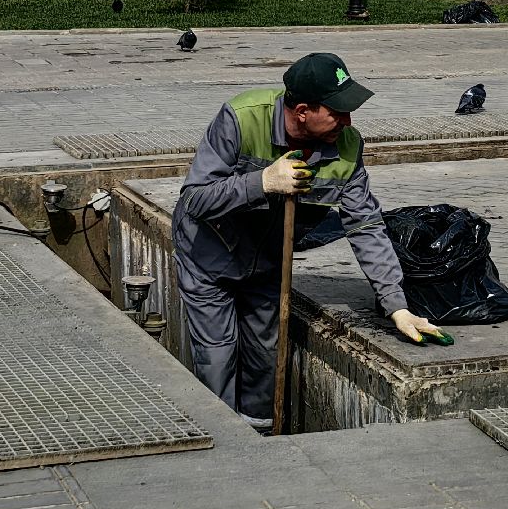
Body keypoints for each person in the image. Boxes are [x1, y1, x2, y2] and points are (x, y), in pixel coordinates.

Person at [172, 52, 441, 432]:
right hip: (209, 257)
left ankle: (260, 436)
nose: (347, 122)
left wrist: (396, 305)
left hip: (268, 262)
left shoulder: (347, 146)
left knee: (266, 358)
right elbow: (195, 200)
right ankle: (222, 441)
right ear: (302, 111)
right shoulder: (242, 119)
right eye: (337, 112)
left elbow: (365, 225)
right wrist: (262, 182)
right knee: (217, 358)